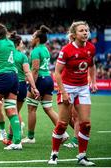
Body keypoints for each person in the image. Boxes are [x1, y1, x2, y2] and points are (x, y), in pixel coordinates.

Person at [48, 21, 97, 166]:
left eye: (86, 30)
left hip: (82, 88)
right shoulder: (66, 50)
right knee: (62, 124)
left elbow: (92, 65)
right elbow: (57, 73)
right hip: (67, 88)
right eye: (82, 31)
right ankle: (54, 155)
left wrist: (92, 81)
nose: (85, 33)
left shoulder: (91, 48)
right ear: (74, 34)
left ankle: (82, 156)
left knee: (86, 124)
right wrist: (63, 92)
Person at [21, 25, 69, 144]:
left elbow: (35, 69)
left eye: (33, 37)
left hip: (39, 80)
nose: (31, 39)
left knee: (31, 109)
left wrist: (32, 85)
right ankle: (62, 133)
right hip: (48, 78)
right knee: (48, 108)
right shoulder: (45, 49)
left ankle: (31, 137)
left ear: (37, 39)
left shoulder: (36, 51)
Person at [3, 31, 40, 145]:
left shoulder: (5, 54)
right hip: (22, 86)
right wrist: (34, 87)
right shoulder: (22, 56)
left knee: (11, 113)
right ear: (17, 44)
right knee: (15, 112)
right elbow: (28, 73)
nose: (23, 44)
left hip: (9, 85)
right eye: (22, 42)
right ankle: (10, 138)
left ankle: (12, 139)